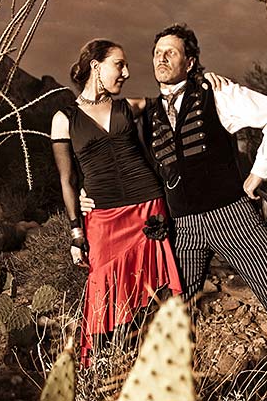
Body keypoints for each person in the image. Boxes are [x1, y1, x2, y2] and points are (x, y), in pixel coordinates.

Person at [82, 24, 267, 371]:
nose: (161, 58)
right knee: (174, 319)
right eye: (157, 52)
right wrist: (84, 193)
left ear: (191, 62)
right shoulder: (145, 113)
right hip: (181, 228)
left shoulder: (218, 94)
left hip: (233, 219)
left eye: (172, 52)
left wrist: (258, 174)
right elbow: (110, 153)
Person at [50, 39, 182, 366]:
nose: (126, 72)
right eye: (118, 64)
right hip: (103, 217)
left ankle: (158, 363)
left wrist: (208, 83)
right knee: (102, 291)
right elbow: (68, 181)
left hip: (148, 208)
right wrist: (75, 233)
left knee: (158, 292)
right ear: (96, 66)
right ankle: (107, 369)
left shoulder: (131, 106)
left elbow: (178, 98)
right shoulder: (64, 118)